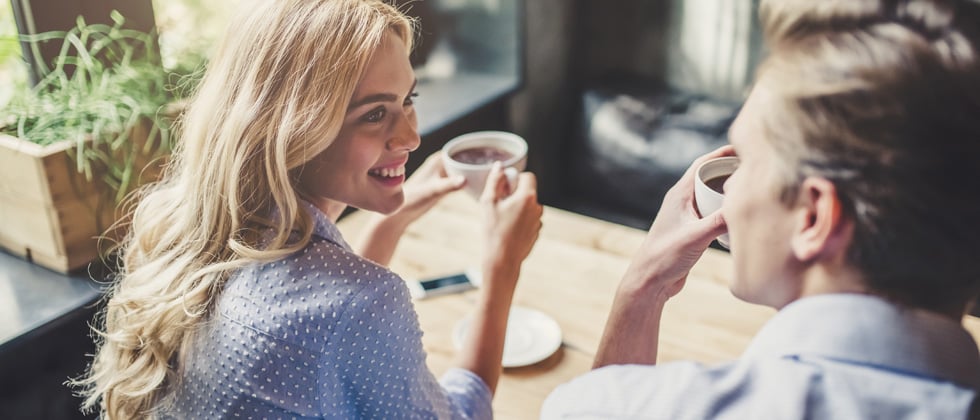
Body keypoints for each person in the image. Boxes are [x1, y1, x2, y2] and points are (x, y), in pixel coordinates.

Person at [72, 0, 543, 418]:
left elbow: (320, 330)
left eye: (408, 100)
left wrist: (393, 220)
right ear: (293, 130)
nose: (411, 138)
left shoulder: (188, 233)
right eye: (375, 114)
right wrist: (501, 266)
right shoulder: (364, 303)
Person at [542, 0, 980, 418]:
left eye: (746, 161)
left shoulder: (611, 409)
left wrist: (640, 284)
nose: (730, 185)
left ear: (813, 218)